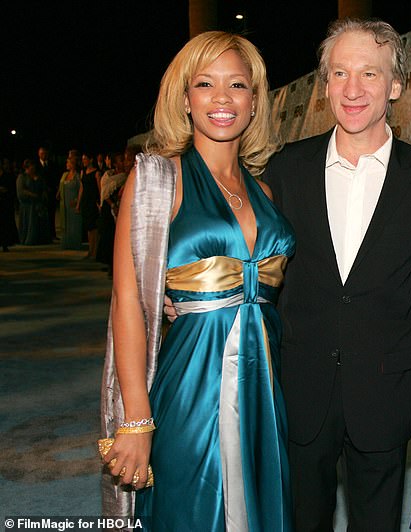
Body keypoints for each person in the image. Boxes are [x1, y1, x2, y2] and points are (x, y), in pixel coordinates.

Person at [100, 31, 294, 531]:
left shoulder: (265, 190)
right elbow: (128, 301)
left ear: (255, 101)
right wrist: (136, 419)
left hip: (265, 389)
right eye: (206, 84)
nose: (223, 98)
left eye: (238, 85)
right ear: (185, 99)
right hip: (191, 383)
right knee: (192, 508)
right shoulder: (156, 178)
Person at [264, 19, 411, 531]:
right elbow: (251, 258)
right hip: (302, 385)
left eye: (370, 74)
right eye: (340, 73)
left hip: (383, 391)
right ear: (325, 85)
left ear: (394, 86)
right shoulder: (286, 169)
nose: (353, 89)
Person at [16, 159, 50, 245]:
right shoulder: (22, 177)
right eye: (31, 167)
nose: (33, 169)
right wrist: (32, 195)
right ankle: (28, 238)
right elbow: (21, 190)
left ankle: (40, 238)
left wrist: (43, 194)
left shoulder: (38, 176)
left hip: (38, 203)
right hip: (28, 205)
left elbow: (43, 187)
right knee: (30, 221)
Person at [77, 153, 100, 259]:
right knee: (88, 227)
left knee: (93, 228)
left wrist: (100, 202)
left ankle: (95, 251)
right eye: (83, 159)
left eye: (85, 159)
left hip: (93, 201)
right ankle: (90, 250)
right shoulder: (83, 172)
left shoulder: (96, 173)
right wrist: (78, 203)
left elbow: (100, 188)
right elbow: (82, 188)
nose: (84, 161)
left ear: (91, 159)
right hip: (85, 202)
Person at [57, 154, 83, 250]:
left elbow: (81, 188)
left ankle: (74, 243)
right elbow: (61, 186)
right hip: (65, 203)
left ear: (73, 164)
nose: (66, 164)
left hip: (73, 202)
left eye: (68, 162)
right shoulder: (65, 175)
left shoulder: (78, 175)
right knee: (66, 223)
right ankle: (66, 243)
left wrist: (77, 201)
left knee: (74, 223)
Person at [36, 146, 59, 241]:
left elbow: (55, 177)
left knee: (51, 213)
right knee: (41, 214)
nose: (44, 155)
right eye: (42, 154)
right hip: (41, 192)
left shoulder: (52, 165)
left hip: (51, 192)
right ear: (39, 154)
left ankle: (52, 233)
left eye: (45, 154)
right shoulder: (36, 166)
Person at [0, 157, 19, 251]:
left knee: (5, 224)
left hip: (6, 203)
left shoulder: (8, 176)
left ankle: (5, 243)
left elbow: (13, 190)